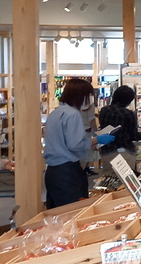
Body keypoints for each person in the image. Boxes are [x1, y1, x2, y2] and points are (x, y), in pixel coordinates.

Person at [44, 78, 112, 208]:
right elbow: (75, 145)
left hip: (52, 171)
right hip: (67, 170)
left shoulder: (55, 113)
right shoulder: (73, 114)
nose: (90, 99)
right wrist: (97, 139)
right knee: (74, 210)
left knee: (57, 212)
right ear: (81, 96)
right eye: (89, 95)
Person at [98, 84, 141, 173]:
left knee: (109, 177)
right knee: (125, 178)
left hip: (107, 149)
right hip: (125, 150)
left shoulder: (104, 110)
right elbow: (134, 136)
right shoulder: (129, 114)